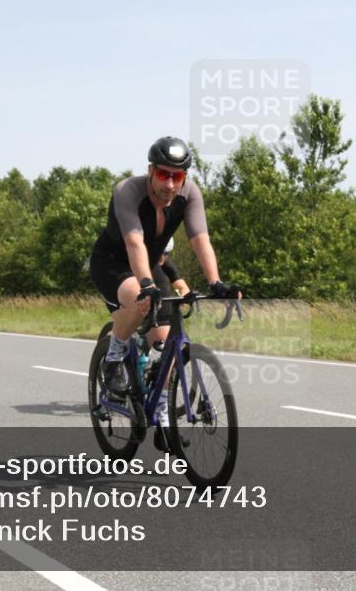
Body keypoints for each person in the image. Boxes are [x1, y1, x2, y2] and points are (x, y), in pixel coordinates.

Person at [89, 136, 242, 417]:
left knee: (167, 339)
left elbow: (200, 240)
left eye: (178, 176)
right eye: (163, 175)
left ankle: (159, 409)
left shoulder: (190, 194)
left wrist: (216, 282)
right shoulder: (128, 191)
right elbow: (134, 243)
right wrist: (147, 285)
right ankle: (113, 358)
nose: (170, 184)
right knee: (140, 300)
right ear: (151, 171)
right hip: (112, 263)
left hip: (148, 264)